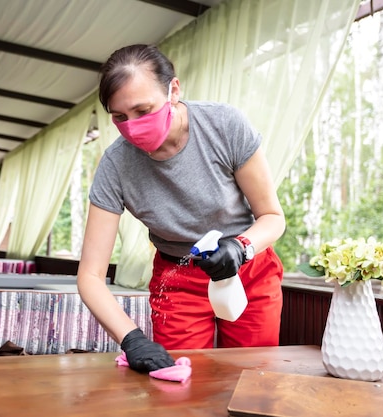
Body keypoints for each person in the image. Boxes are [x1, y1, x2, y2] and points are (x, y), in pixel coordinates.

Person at [76, 44, 286, 374]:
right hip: (178, 277)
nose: (131, 125)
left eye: (143, 111)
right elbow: (90, 276)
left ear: (174, 90)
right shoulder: (115, 166)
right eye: (119, 117)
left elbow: (273, 218)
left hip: (247, 267)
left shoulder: (223, 125)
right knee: (180, 387)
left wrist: (240, 247)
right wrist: (131, 339)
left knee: (254, 378)